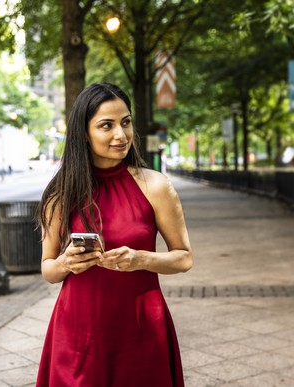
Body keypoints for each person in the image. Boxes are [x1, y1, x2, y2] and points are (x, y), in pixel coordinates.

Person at [36, 83, 193, 387]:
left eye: (125, 122)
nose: (121, 135)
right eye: (106, 125)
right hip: (78, 332)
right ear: (84, 133)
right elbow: (48, 269)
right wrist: (66, 262)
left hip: (142, 327)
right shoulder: (61, 193)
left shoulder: (156, 186)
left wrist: (142, 259)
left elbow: (184, 258)